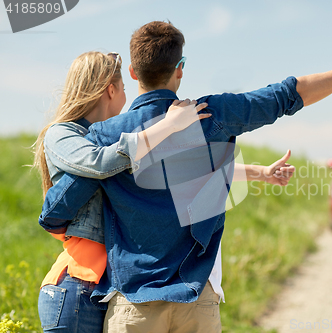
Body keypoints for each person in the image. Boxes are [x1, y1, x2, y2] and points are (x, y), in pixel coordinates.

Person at [39, 21, 332, 333]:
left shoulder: (105, 136)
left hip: (134, 305)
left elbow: (59, 207)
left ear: (132, 72)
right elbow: (287, 95)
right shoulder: (210, 115)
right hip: (196, 299)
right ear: (180, 69)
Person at [34, 50, 294, 332]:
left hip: (105, 286)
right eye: (122, 88)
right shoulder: (68, 135)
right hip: (77, 283)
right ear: (111, 90)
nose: (127, 96)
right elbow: (101, 164)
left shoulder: (116, 139)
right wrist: (168, 126)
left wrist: (260, 172)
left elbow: (182, 170)